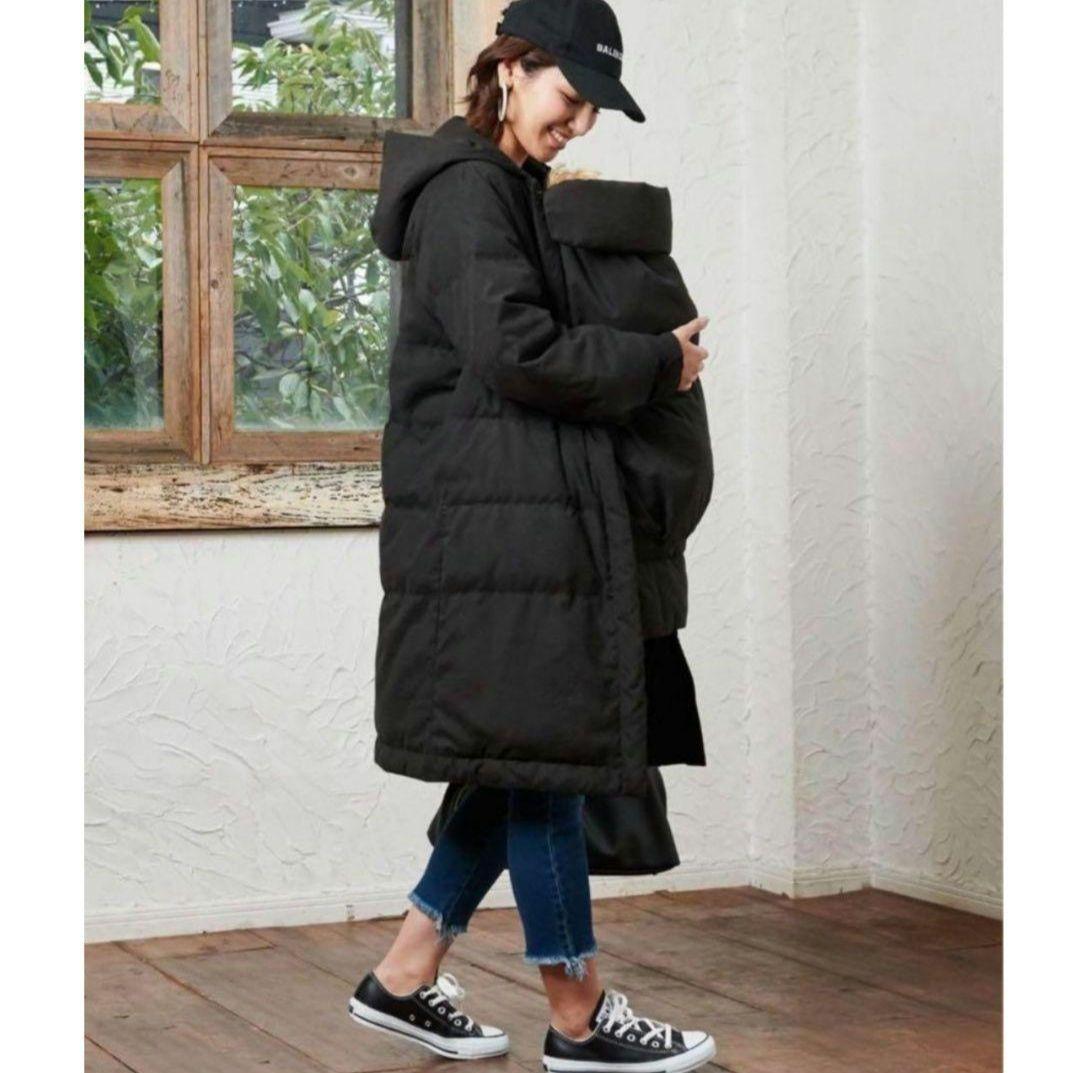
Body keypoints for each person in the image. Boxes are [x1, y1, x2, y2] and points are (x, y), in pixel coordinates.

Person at [349, 2, 714, 1070]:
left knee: (520, 756)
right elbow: (520, 353)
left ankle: (402, 975)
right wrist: (657, 361)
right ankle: (579, 1014)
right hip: (490, 532)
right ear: (512, 68)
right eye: (571, 94)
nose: (580, 121)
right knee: (547, 762)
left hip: (512, 521)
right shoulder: (466, 191)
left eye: (595, 107)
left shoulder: (508, 186)